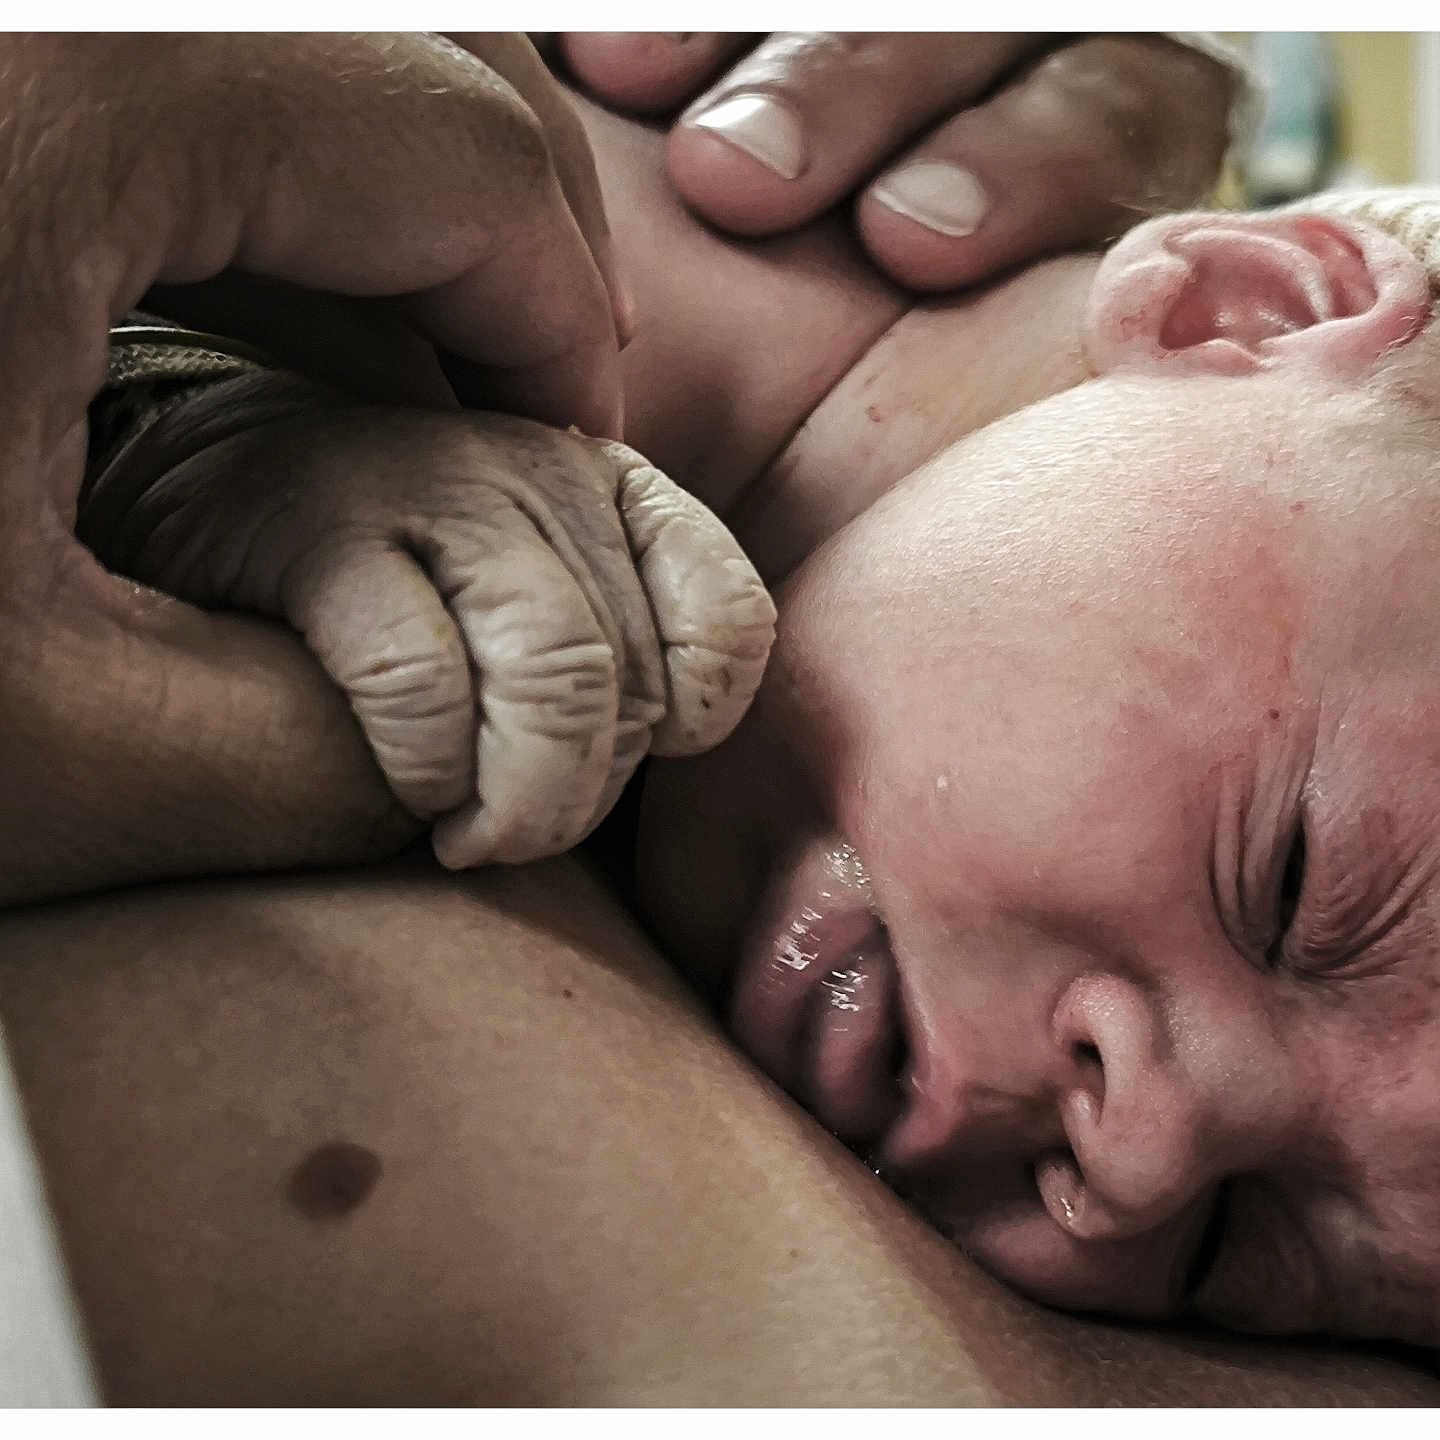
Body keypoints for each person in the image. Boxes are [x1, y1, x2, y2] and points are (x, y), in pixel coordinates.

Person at [51, 40, 1440, 1377]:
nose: (1137, 1161)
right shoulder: (576, 192)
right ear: (1243, 310)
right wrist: (193, 434)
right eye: (1294, 878)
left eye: (1234, 1245)